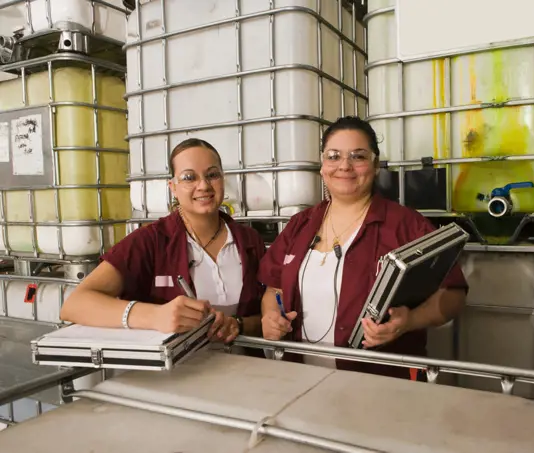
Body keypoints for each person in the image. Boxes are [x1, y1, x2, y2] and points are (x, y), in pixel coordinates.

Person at [257, 116, 468, 379]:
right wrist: (270, 315)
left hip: (380, 382)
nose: (344, 166)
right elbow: (273, 287)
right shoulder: (300, 225)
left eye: (358, 156)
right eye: (333, 156)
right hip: (301, 379)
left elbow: (453, 294)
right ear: (322, 166)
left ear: (376, 164)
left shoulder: (406, 225)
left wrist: (409, 322)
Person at [60, 138, 266, 344]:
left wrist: (238, 324)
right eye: (188, 177)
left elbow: (267, 317)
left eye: (212, 175)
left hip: (242, 368)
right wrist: (155, 315)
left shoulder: (249, 241)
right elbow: (74, 305)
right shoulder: (150, 241)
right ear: (173, 187)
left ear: (222, 179)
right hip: (174, 372)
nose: (203, 185)